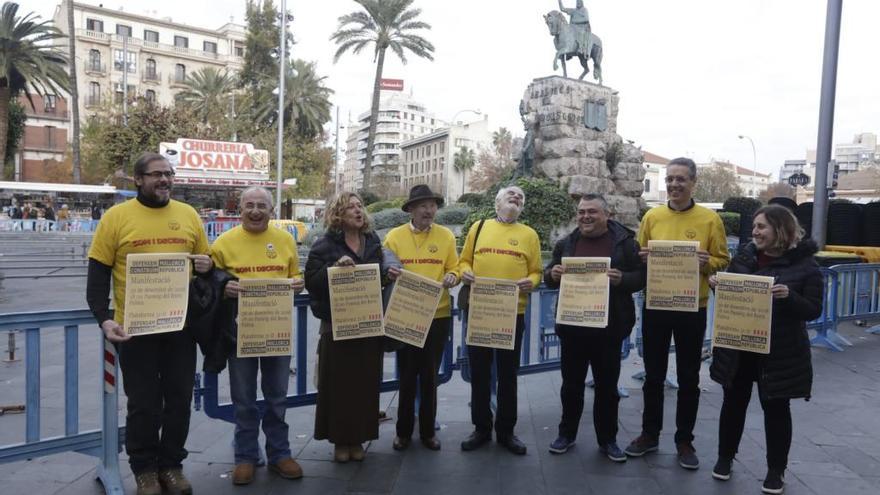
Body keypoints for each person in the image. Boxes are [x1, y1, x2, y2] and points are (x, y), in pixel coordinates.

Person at [86, 152, 212, 495]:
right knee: (143, 403)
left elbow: (206, 264)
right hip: (136, 329)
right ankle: (144, 470)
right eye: (156, 174)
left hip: (180, 327)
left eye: (169, 174)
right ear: (138, 179)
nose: (165, 180)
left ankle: (172, 466)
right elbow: (98, 273)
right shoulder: (117, 217)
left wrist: (206, 264)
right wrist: (103, 318)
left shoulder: (188, 216)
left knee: (179, 399)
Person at [625, 157, 730, 469]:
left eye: (680, 179)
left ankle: (685, 440)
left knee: (688, 377)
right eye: (670, 179)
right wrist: (642, 258)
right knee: (653, 376)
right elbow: (636, 255)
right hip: (656, 304)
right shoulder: (652, 217)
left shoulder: (710, 220)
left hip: (691, 307)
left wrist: (706, 263)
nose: (674, 185)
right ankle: (649, 434)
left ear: (693, 182)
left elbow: (724, 260)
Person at [709, 205, 822, 494]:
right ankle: (724, 458)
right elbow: (732, 295)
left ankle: (775, 471)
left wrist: (789, 297)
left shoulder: (806, 265)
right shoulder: (745, 257)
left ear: (780, 230)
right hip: (740, 346)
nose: (755, 232)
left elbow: (813, 310)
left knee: (776, 410)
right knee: (733, 404)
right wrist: (717, 286)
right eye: (755, 227)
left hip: (780, 351)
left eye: (762, 227)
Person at [209, 187, 305, 485]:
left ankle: (280, 454)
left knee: (277, 396)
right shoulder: (224, 243)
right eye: (249, 205)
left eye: (261, 206)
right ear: (240, 209)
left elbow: (296, 275)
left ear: (271, 210)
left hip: (275, 328)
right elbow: (210, 279)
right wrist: (223, 287)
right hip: (240, 331)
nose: (255, 211)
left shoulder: (285, 240)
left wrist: (298, 283)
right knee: (244, 398)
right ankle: (246, 456)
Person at [544, 194, 644, 460]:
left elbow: (642, 277)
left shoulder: (624, 243)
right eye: (581, 212)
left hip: (609, 329)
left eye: (592, 212)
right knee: (571, 386)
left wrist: (623, 279)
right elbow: (549, 274)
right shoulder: (566, 243)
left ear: (606, 214)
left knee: (607, 389)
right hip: (574, 327)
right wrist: (551, 275)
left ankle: (608, 439)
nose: (585, 217)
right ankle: (566, 434)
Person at [459, 185, 542, 455]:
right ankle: (481, 428)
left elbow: (536, 271)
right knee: (480, 372)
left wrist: (531, 281)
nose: (516, 198)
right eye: (511, 195)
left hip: (512, 313)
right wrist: (467, 272)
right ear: (498, 202)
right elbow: (463, 262)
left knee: (508, 374)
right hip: (481, 310)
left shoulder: (529, 235)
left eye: (521, 196)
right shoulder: (479, 228)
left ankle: (506, 431)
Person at [305, 191, 386, 463]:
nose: (357, 210)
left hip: (368, 323)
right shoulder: (324, 244)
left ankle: (359, 438)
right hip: (336, 326)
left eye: (360, 206)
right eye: (350, 207)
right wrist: (333, 269)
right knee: (338, 385)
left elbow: (380, 274)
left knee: (365, 383)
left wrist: (388, 274)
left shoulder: (372, 241)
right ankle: (340, 440)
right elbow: (311, 282)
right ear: (338, 214)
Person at [383, 185, 460, 451]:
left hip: (438, 314)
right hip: (406, 313)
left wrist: (454, 276)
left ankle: (428, 431)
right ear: (411, 209)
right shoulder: (394, 237)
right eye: (423, 206)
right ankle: (403, 432)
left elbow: (454, 267)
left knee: (429, 376)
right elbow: (385, 266)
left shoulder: (446, 236)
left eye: (433, 206)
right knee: (406, 374)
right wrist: (389, 272)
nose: (429, 210)